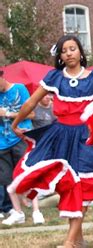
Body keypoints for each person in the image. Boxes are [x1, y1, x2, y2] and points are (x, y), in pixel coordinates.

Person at [8, 35, 93, 247]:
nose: (68, 53)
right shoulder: (54, 77)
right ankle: (78, 239)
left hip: (86, 138)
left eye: (72, 48)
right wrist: (16, 123)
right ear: (60, 56)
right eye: (64, 50)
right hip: (60, 138)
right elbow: (32, 100)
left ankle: (70, 242)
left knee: (81, 187)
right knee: (68, 187)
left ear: (80, 52)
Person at [0, 69, 36, 225]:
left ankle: (36, 211)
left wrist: (7, 113)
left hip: (20, 138)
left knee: (28, 174)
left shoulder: (19, 89)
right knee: (7, 178)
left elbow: (31, 114)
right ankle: (17, 212)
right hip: (2, 143)